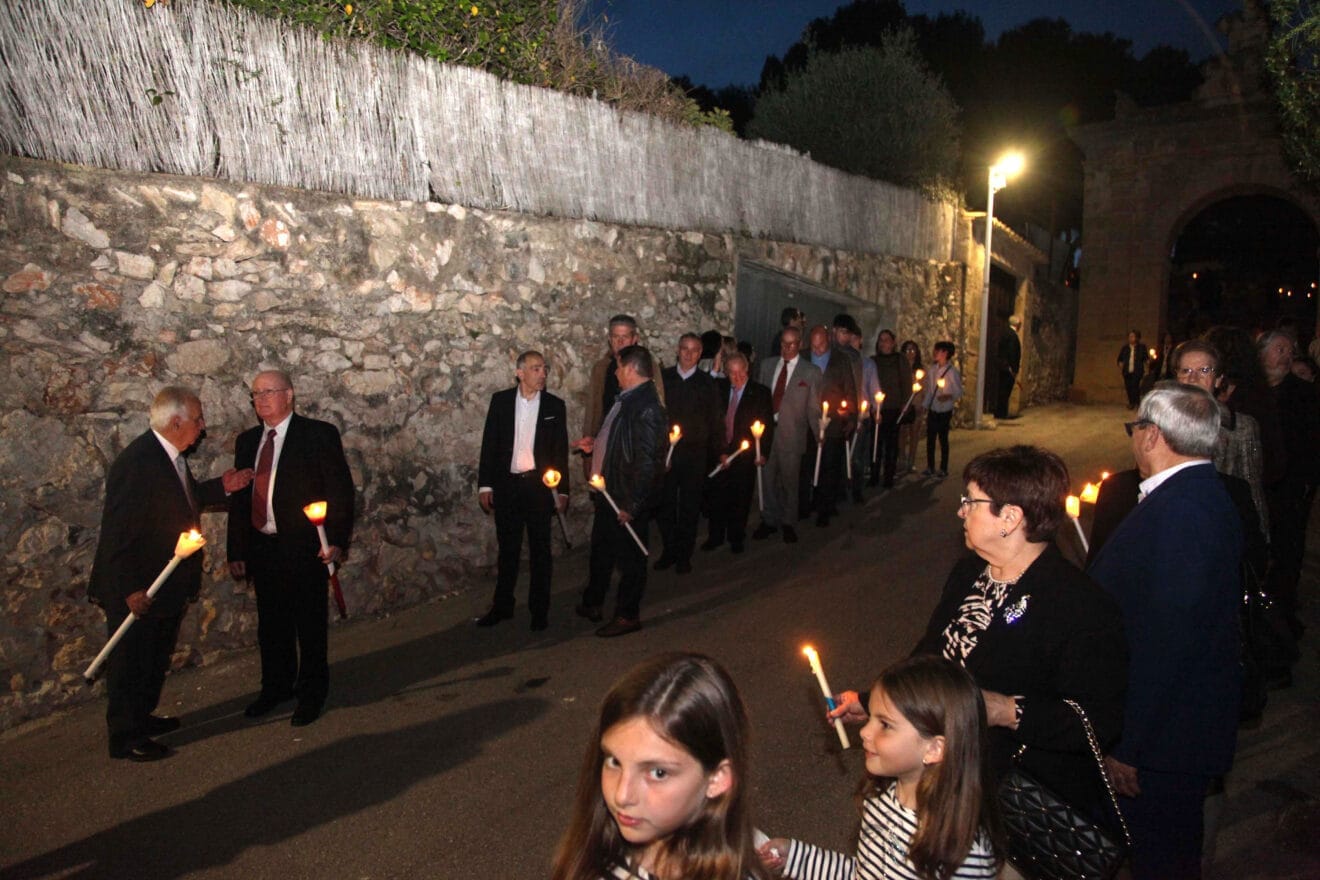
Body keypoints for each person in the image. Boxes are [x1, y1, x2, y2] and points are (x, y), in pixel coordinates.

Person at [833, 446, 1128, 830]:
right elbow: (932, 657)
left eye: (970, 502)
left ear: (1009, 517)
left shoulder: (1078, 605)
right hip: (944, 777)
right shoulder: (970, 572)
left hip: (1005, 795)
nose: (961, 511)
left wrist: (1008, 711)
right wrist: (873, 700)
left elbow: (1097, 721)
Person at [1088, 383, 1244, 880]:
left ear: (1152, 436)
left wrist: (1130, 745)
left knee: (1163, 858)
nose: (1133, 439)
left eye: (1135, 429)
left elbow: (1169, 643)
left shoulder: (1185, 515)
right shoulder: (1190, 496)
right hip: (1169, 733)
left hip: (1166, 742)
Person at [88, 387, 252, 761]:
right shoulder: (139, 463)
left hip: (163, 584)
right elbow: (118, 532)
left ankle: (142, 718)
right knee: (131, 661)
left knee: (152, 657)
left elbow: (184, 497)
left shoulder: (168, 457)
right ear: (176, 421)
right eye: (198, 419)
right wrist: (130, 587)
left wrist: (221, 487)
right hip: (140, 586)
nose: (203, 427)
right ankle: (126, 736)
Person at [760, 656, 1001, 880]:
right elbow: (864, 872)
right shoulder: (880, 797)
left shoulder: (964, 855)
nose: (864, 732)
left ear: (934, 749)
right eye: (871, 717)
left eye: (885, 724)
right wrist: (796, 857)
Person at [550, 653, 770, 880]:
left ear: (717, 778)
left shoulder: (754, 848)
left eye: (658, 773)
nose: (622, 795)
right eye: (614, 761)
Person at [228, 370, 355, 727]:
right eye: (255, 394)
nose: (261, 399)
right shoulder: (247, 440)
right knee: (271, 624)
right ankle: (276, 687)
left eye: (269, 391)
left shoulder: (317, 435)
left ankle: (312, 692)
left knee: (309, 623)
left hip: (304, 547)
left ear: (289, 395)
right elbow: (240, 498)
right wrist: (236, 549)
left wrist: (337, 542)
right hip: (262, 546)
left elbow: (340, 492)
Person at [573, 345, 667, 638]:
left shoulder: (647, 407)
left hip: (624, 497)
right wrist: (595, 444)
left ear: (629, 368)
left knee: (631, 559)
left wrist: (633, 503)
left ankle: (628, 615)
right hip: (610, 491)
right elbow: (619, 439)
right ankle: (593, 603)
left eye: (618, 367)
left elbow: (648, 460)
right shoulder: (628, 400)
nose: (614, 372)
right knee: (602, 551)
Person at [475, 350, 569, 631]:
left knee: (541, 551)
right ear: (520, 372)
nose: (543, 374)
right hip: (508, 487)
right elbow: (489, 444)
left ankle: (539, 610)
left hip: (539, 488)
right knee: (508, 551)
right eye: (536, 368)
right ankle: (503, 605)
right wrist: (485, 484)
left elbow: (560, 451)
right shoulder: (501, 402)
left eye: (544, 369)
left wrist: (562, 490)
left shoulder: (554, 405)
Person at [1259, 330, 1320, 639]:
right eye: (1278, 349)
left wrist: (1307, 483)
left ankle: (1282, 614)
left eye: (1289, 350)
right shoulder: (1251, 392)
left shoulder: (1303, 394)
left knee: (1287, 549)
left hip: (1289, 487)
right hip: (1258, 485)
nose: (1285, 355)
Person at [656, 333, 722, 575]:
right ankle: (669, 550)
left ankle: (684, 554)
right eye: (685, 348)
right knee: (665, 505)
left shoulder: (707, 383)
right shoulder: (664, 379)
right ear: (678, 349)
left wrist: (719, 451)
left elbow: (716, 419)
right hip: (668, 454)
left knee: (689, 506)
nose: (689, 354)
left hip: (695, 454)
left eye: (695, 350)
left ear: (700, 352)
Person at [753, 326, 822, 544]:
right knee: (766, 478)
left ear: (800, 345)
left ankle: (789, 522)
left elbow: (813, 407)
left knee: (790, 482)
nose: (787, 348)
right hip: (766, 433)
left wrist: (818, 430)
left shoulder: (810, 372)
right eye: (784, 343)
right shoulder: (767, 365)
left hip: (792, 434)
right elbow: (759, 398)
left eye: (792, 344)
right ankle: (769, 519)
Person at [703, 353, 773, 554]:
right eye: (732, 373)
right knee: (717, 499)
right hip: (721, 454)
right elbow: (714, 424)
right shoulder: (720, 390)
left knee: (740, 499)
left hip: (744, 455)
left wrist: (763, 453)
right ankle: (715, 537)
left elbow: (766, 427)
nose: (737, 377)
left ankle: (736, 537)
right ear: (726, 374)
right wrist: (720, 452)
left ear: (747, 370)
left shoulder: (760, 393)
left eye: (741, 371)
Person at [809, 325, 858, 526]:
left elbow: (850, 388)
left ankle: (826, 508)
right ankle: (811, 500)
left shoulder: (841, 359)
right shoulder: (804, 357)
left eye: (820, 346)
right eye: (813, 346)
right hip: (810, 420)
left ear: (828, 340)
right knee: (811, 463)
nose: (817, 350)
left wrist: (851, 416)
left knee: (830, 464)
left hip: (835, 420)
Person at [921, 341, 962, 479]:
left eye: (937, 351)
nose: (934, 353)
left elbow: (958, 391)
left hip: (945, 410)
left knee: (943, 438)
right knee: (930, 438)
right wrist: (925, 406)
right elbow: (929, 391)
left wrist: (948, 396)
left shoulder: (952, 372)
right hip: (934, 408)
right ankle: (930, 466)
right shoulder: (932, 370)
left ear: (945, 353)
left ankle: (943, 468)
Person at [898, 340, 924, 476]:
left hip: (916, 405)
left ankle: (911, 461)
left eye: (913, 350)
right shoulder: (900, 368)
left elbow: (924, 389)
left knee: (914, 434)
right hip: (904, 405)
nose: (910, 353)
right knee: (902, 433)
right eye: (907, 350)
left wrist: (921, 405)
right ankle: (901, 459)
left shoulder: (920, 370)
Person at [995, 316, 1021, 420]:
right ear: (1017, 325)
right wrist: (1013, 368)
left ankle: (1000, 412)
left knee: (1002, 390)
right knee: (1005, 391)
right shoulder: (1012, 336)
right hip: (1008, 368)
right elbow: (1012, 352)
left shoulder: (1005, 333)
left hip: (1003, 366)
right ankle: (1001, 413)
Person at [1117, 330, 1149, 409]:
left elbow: (1145, 357)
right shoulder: (1125, 348)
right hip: (1127, 370)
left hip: (1137, 371)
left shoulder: (1141, 347)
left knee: (1135, 386)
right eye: (1130, 336)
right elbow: (1120, 358)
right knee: (1128, 386)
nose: (1131, 338)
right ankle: (1131, 403)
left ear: (1137, 337)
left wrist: (1148, 361)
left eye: (1132, 336)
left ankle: (1137, 403)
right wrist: (1120, 363)